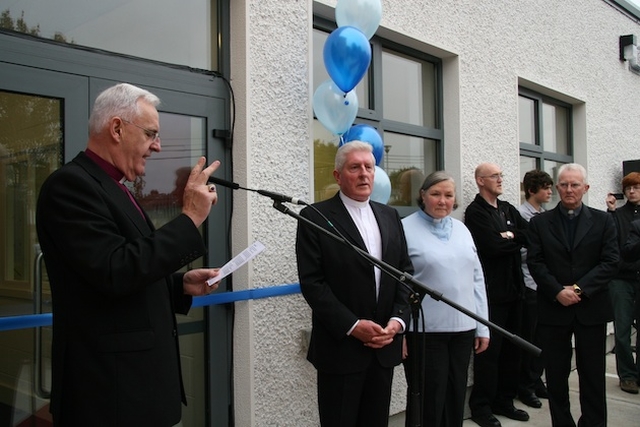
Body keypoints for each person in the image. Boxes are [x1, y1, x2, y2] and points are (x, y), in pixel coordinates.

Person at [36, 83, 222, 426]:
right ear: (117, 128)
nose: (158, 145)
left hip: (137, 392)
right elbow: (114, 271)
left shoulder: (115, 188)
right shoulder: (71, 187)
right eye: (151, 133)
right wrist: (191, 217)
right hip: (109, 396)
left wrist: (178, 284)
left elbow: (128, 266)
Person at [295, 140, 414, 427]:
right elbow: (313, 284)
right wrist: (352, 326)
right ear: (337, 176)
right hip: (341, 350)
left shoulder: (390, 215)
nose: (364, 174)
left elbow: (404, 273)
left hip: (383, 345)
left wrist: (398, 321)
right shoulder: (316, 217)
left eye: (369, 167)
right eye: (355, 167)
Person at [527, 163, 619, 427]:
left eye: (575, 184)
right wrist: (557, 291)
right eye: (564, 184)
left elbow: (610, 262)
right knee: (556, 375)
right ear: (557, 188)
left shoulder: (603, 221)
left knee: (592, 374)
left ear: (585, 188)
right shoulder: (540, 223)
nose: (569, 189)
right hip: (553, 309)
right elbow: (535, 262)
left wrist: (578, 290)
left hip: (591, 308)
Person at [401, 171, 489, 427]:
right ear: (423, 195)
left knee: (455, 396)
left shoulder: (462, 229)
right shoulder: (405, 228)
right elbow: (397, 285)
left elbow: (476, 279)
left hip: (463, 329)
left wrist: (482, 325)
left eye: (448, 195)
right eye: (436, 194)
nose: (442, 201)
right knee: (429, 399)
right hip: (425, 332)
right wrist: (400, 331)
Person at [464, 162, 529, 427]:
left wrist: (509, 234)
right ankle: (481, 407)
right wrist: (512, 241)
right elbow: (490, 247)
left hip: (516, 291)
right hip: (492, 295)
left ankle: (505, 400)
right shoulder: (475, 212)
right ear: (480, 181)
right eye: (495, 176)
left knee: (513, 352)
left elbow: (529, 234)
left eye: (502, 175)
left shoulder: (507, 208)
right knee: (490, 354)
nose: (501, 180)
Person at [517, 170, 553, 408]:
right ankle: (525, 387)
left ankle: (536, 380)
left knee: (544, 338)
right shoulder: (522, 215)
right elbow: (521, 251)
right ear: (532, 190)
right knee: (529, 339)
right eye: (545, 187)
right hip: (529, 284)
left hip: (546, 286)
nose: (550, 192)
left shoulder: (546, 215)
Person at [605, 172, 640, 394]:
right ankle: (627, 375)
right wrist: (610, 210)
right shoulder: (617, 215)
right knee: (622, 329)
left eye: (636, 187)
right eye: (628, 188)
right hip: (621, 279)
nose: (632, 191)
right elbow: (609, 240)